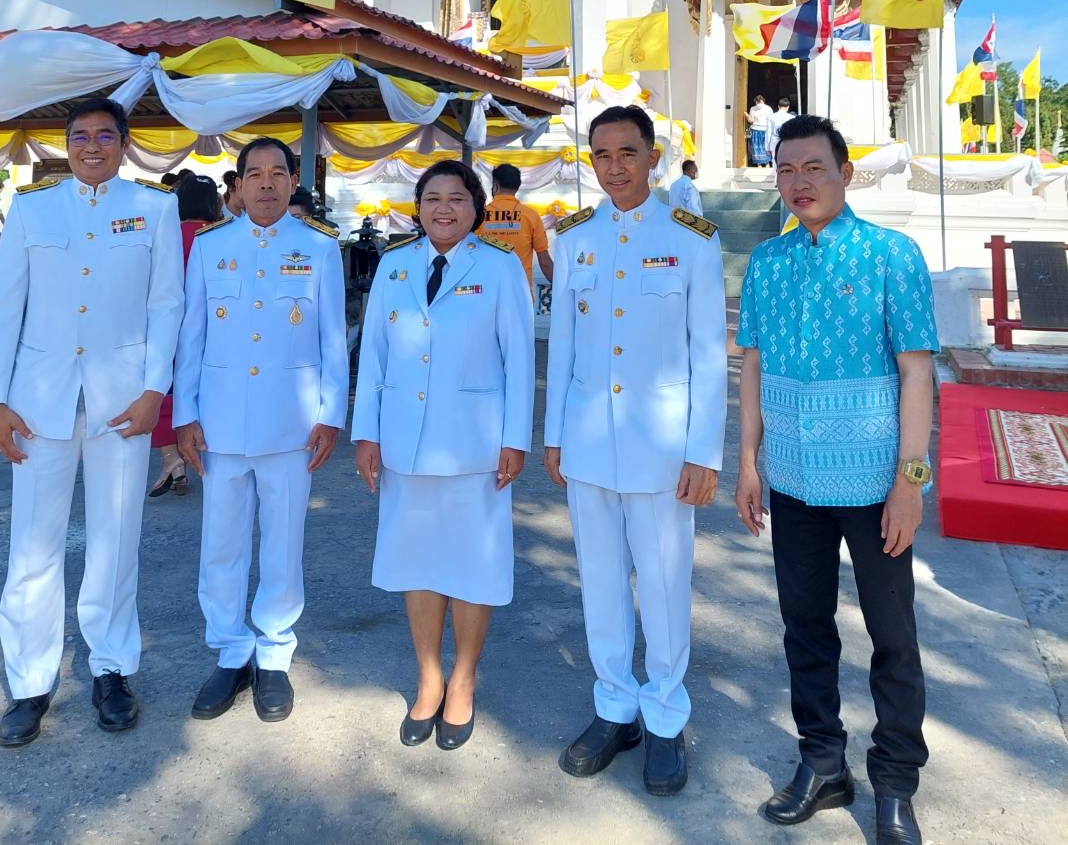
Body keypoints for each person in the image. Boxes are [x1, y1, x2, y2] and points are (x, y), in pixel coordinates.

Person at [735, 114, 938, 845]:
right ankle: (823, 762)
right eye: (786, 169)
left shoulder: (893, 255)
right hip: (791, 480)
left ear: (845, 172)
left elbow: (917, 371)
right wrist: (748, 462)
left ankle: (894, 781)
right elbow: (752, 362)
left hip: (876, 482)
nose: (799, 182)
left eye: (813, 167)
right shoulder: (767, 262)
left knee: (893, 635)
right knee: (806, 629)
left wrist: (910, 481)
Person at [0, 97, 184, 746]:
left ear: (123, 144)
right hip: (39, 400)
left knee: (116, 540)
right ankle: (30, 679)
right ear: (65, 145)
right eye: (79, 136)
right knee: (33, 548)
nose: (91, 145)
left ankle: (112, 667)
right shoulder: (35, 207)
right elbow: (6, 306)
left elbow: (166, 306)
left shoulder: (153, 208)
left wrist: (156, 390)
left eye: (104, 135)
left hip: (122, 403)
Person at [545, 104, 727, 797]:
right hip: (589, 442)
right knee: (599, 581)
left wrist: (703, 451)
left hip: (661, 445)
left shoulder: (691, 239)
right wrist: (555, 435)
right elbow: (561, 343)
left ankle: (665, 715)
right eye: (601, 155)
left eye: (627, 152)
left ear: (654, 157)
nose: (614, 166)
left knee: (662, 583)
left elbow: (709, 354)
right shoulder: (574, 238)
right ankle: (615, 704)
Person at [352, 161, 535, 752]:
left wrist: (515, 438)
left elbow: (519, 360)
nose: (444, 209)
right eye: (432, 198)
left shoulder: (502, 268)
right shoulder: (394, 265)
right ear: (418, 207)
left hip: (476, 446)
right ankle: (429, 676)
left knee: (473, 566)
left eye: (457, 199)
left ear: (476, 208)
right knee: (418, 564)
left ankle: (464, 679)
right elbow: (375, 355)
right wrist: (367, 433)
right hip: (404, 443)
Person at [172, 138, 346, 724]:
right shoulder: (210, 247)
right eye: (255, 175)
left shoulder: (320, 248)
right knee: (220, 544)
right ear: (238, 187)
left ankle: (273, 654)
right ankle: (229, 651)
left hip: (291, 425)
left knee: (282, 542)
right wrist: (184, 415)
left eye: (278, 173)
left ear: (294, 180)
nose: (267, 184)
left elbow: (332, 340)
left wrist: (331, 415)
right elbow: (191, 335)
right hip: (218, 423)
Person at [149, 174, 223, 498]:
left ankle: (171, 459)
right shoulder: (218, 237)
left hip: (167, 327)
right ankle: (195, 455)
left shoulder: (166, 236)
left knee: (162, 389)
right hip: (212, 331)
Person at [483, 162, 553, 292]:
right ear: (517, 187)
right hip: (520, 292)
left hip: (486, 290)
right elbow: (545, 262)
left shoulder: (478, 216)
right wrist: (562, 288)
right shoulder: (530, 216)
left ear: (495, 186)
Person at [765, 96, 795, 161]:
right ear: (788, 107)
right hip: (787, 142)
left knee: (775, 162)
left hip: (774, 142)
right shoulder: (792, 118)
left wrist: (767, 147)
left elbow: (768, 133)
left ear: (778, 106)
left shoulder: (771, 117)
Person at [747, 94, 774, 166]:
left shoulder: (768, 108)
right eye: (757, 102)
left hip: (765, 129)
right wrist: (747, 116)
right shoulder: (753, 108)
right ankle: (759, 164)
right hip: (755, 129)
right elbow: (751, 120)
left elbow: (771, 120)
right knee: (756, 147)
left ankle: (767, 163)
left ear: (763, 102)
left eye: (760, 102)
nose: (758, 104)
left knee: (765, 146)